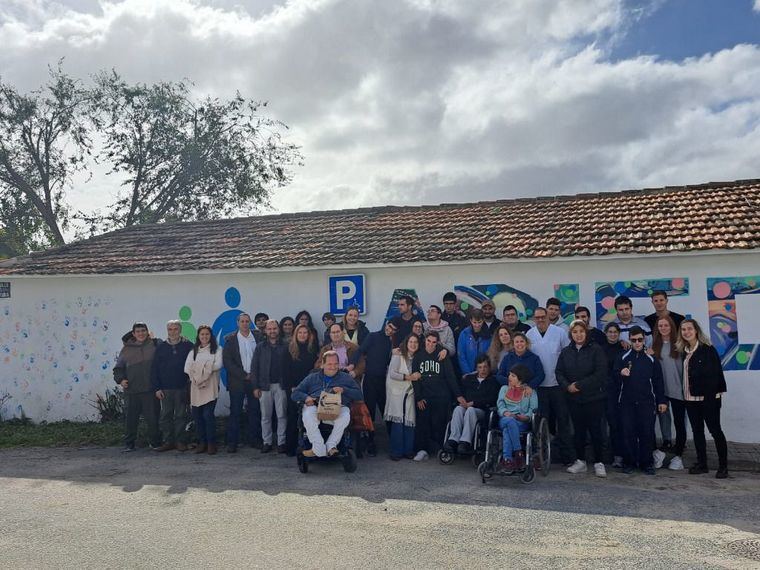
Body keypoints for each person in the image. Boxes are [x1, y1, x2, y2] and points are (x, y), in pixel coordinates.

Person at [556, 320, 609, 478]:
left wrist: (579, 385)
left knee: (596, 431)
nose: (578, 334)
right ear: (571, 334)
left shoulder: (596, 350)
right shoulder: (566, 351)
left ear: (586, 333)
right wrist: (567, 386)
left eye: (581, 331)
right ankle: (580, 461)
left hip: (593, 398)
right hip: (573, 399)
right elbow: (559, 372)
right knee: (578, 432)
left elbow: (600, 373)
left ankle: (599, 462)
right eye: (575, 332)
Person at [613, 326, 667, 475]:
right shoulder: (622, 357)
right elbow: (613, 377)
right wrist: (620, 373)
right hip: (626, 402)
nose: (637, 343)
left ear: (644, 340)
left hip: (646, 402)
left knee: (647, 433)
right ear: (629, 340)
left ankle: (647, 463)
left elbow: (658, 382)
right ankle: (629, 462)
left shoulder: (651, 360)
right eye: (634, 340)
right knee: (627, 432)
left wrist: (661, 401)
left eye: (640, 340)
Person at [678, 318, 728, 478]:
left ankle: (723, 467)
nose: (686, 332)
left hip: (709, 399)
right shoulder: (683, 351)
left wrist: (709, 401)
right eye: (683, 329)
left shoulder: (707, 349)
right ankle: (702, 463)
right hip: (690, 399)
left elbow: (715, 376)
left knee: (715, 430)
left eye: (689, 329)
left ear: (696, 330)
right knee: (697, 431)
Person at [291, 351, 363, 458]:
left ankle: (331, 445)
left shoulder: (346, 378)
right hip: (316, 407)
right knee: (307, 414)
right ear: (322, 365)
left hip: (337, 408)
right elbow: (295, 393)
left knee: (345, 416)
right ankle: (318, 448)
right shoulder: (312, 378)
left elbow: (359, 395)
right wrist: (306, 398)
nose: (333, 367)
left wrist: (344, 390)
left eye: (335, 364)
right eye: (329, 364)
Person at [526, 307, 573, 465]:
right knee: (541, 423)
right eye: (537, 317)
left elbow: (567, 355)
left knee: (563, 421)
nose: (540, 320)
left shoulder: (559, 332)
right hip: (539, 387)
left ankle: (567, 457)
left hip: (558, 385)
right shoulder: (529, 335)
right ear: (534, 319)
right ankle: (542, 457)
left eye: (543, 317)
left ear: (548, 317)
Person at [412, 331, 465, 460]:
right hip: (425, 396)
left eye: (434, 342)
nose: (430, 344)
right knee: (422, 423)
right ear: (425, 340)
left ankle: (443, 448)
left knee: (440, 423)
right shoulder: (418, 356)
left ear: (438, 343)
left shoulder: (442, 355)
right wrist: (418, 397)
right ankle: (422, 450)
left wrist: (458, 395)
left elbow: (450, 376)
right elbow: (415, 378)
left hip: (441, 395)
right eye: (429, 341)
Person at [113, 322, 161, 452]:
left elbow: (170, 347)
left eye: (143, 331)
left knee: (153, 418)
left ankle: (155, 443)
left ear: (147, 331)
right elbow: (118, 369)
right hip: (131, 391)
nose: (141, 333)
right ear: (133, 334)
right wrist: (121, 380)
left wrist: (184, 339)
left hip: (150, 390)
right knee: (130, 419)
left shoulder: (156, 344)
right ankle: (129, 444)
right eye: (138, 331)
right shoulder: (126, 349)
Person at [352, 321, 397, 456]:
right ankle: (371, 442)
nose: (390, 330)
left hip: (383, 382)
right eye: (389, 327)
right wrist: (351, 365)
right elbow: (360, 351)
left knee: (387, 411)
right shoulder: (372, 336)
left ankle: (394, 444)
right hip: (370, 380)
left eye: (393, 330)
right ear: (386, 324)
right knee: (369, 412)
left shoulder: (392, 343)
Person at [151, 320, 193, 452]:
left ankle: (180, 441)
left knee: (181, 416)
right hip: (165, 389)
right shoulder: (161, 347)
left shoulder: (188, 345)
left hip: (182, 387)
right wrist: (157, 388)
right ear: (167, 330)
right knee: (165, 416)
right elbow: (154, 369)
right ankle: (168, 441)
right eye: (170, 329)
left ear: (180, 330)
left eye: (175, 329)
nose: (173, 332)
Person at [445, 355, 500, 454]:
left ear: (489, 367)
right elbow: (461, 392)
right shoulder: (469, 379)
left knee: (470, 410)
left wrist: (474, 403)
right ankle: (453, 439)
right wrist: (461, 399)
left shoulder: (493, 381)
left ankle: (465, 442)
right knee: (458, 409)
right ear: (476, 368)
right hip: (466, 406)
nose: (483, 370)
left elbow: (492, 399)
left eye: (485, 367)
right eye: (480, 367)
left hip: (482, 410)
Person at [222, 313, 261, 452]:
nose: (245, 324)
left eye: (247, 321)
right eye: (242, 321)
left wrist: (253, 376)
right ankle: (232, 442)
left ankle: (254, 440)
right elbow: (228, 362)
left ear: (250, 323)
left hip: (255, 381)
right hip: (238, 381)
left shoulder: (257, 337)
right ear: (238, 323)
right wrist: (244, 375)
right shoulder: (231, 340)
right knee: (235, 412)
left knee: (254, 411)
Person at [652, 315, 686, 469]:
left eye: (666, 325)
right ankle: (666, 443)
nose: (663, 328)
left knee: (680, 422)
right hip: (662, 391)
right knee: (664, 419)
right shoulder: (655, 345)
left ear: (672, 326)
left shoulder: (680, 345)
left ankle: (679, 455)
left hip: (679, 390)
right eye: (660, 326)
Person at [251, 320, 290, 454]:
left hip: (281, 386)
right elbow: (254, 368)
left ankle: (281, 442)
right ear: (265, 331)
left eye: (274, 328)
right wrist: (255, 387)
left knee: (282, 415)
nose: (272, 331)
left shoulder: (286, 346)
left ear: (278, 330)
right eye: (269, 329)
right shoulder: (260, 347)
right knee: (265, 416)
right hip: (264, 386)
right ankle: (266, 442)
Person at [185, 325, 223, 455]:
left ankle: (212, 443)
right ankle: (202, 443)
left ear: (210, 336)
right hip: (196, 388)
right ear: (198, 336)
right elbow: (187, 368)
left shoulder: (217, 350)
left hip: (211, 387)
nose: (204, 337)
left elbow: (218, 365)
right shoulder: (193, 351)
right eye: (202, 334)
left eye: (207, 334)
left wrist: (199, 367)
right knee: (197, 417)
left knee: (208, 415)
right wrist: (206, 367)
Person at [284, 324, 319, 456]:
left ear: (309, 335)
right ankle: (291, 448)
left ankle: (309, 447)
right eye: (300, 333)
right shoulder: (289, 350)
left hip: (310, 390)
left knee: (309, 417)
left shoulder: (313, 350)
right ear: (296, 335)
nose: (303, 335)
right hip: (294, 389)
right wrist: (292, 387)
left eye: (305, 333)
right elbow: (285, 371)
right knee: (293, 417)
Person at [385, 333, 419, 460]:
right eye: (411, 342)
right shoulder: (398, 356)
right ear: (406, 343)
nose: (413, 344)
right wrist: (408, 377)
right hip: (396, 392)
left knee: (409, 420)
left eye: (416, 342)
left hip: (410, 392)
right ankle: (396, 451)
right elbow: (392, 373)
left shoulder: (417, 358)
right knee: (398, 421)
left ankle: (408, 450)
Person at [497, 364, 538, 471]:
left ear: (521, 379)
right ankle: (518, 453)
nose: (509, 377)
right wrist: (505, 412)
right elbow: (500, 404)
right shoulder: (504, 389)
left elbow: (533, 409)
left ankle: (507, 459)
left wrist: (525, 417)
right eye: (510, 375)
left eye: (513, 376)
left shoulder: (530, 392)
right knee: (509, 421)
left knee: (507, 430)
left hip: (521, 422)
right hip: (505, 418)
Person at [602, 322, 626, 468]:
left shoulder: (624, 349)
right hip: (603, 391)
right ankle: (605, 455)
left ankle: (619, 455)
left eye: (615, 332)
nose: (612, 334)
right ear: (606, 333)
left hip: (620, 391)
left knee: (618, 424)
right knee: (605, 425)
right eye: (610, 332)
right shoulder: (600, 350)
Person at [457, 308, 492, 376]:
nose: (477, 325)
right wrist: (467, 373)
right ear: (470, 321)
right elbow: (461, 355)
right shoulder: (464, 334)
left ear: (483, 320)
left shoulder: (488, 336)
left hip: (484, 373)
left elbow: (489, 355)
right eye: (474, 322)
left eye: (479, 322)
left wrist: (483, 371)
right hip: (468, 373)